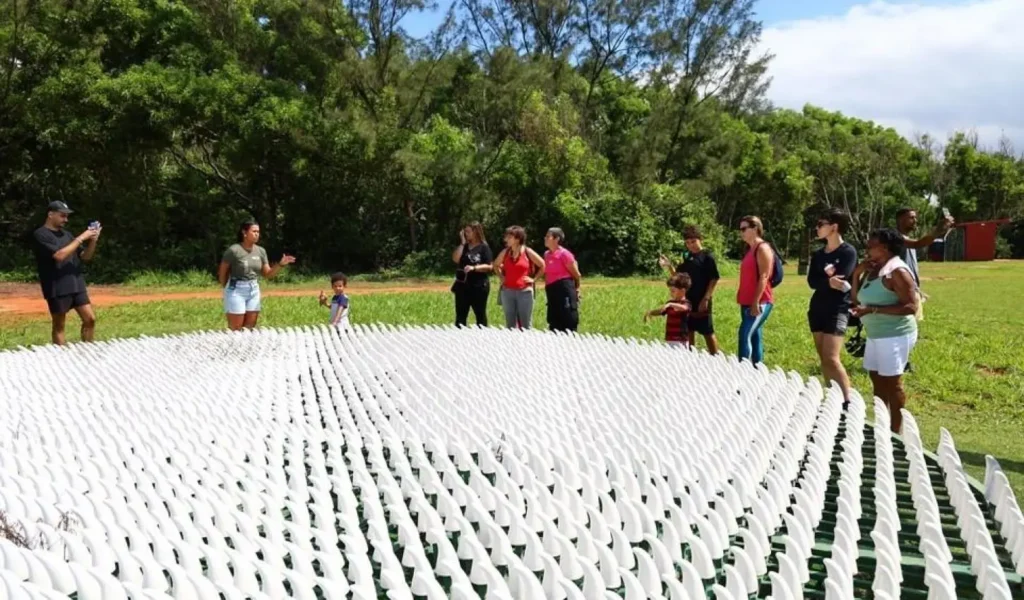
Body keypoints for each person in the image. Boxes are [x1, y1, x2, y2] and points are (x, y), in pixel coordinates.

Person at [850, 228, 919, 434]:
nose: (867, 248)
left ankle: (896, 430)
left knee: (893, 382)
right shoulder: (873, 269)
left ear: (885, 248)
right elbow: (855, 299)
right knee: (876, 378)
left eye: (872, 245)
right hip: (876, 334)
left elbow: (911, 307)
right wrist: (856, 274)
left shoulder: (897, 271)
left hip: (895, 334)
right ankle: (882, 423)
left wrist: (873, 310)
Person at [807, 209, 858, 406]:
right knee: (824, 359)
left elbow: (843, 277)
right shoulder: (818, 254)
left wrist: (828, 282)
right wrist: (828, 282)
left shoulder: (848, 252)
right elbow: (812, 281)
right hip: (817, 307)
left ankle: (847, 402)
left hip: (838, 308)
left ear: (834, 226)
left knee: (832, 358)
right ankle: (833, 398)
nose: (817, 228)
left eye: (821, 224)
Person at [32, 201, 101, 345]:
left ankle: (87, 351)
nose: (66, 219)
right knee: (59, 326)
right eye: (62, 216)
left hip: (76, 284)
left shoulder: (67, 235)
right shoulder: (41, 234)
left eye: (67, 216)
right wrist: (81, 237)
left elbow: (85, 256)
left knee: (90, 319)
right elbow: (59, 255)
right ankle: (61, 358)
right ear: (50, 214)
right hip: (57, 286)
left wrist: (93, 241)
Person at [218, 220, 296, 331]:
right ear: (244, 233)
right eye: (254, 231)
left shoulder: (261, 251)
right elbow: (222, 272)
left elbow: (268, 274)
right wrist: (226, 288)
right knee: (236, 328)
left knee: (250, 328)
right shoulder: (233, 250)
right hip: (236, 289)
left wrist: (280, 265)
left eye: (258, 232)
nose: (257, 234)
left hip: (253, 289)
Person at [658, 225, 720, 353]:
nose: (691, 245)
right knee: (688, 329)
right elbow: (678, 276)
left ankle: (716, 358)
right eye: (687, 243)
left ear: (700, 239)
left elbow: (714, 278)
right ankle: (691, 356)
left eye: (693, 241)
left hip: (702, 298)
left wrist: (706, 298)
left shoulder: (707, 257)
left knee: (707, 330)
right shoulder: (687, 257)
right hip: (687, 300)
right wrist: (669, 266)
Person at [736, 216, 775, 364]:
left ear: (755, 229)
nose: (741, 232)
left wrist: (755, 301)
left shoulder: (762, 248)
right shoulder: (749, 250)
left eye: (744, 229)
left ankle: (744, 371)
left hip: (760, 301)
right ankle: (757, 371)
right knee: (754, 335)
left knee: (744, 334)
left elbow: (764, 276)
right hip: (746, 301)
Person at [493, 225, 545, 329]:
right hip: (507, 291)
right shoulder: (506, 252)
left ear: (518, 239)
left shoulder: (527, 251)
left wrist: (534, 279)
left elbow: (543, 265)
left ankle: (526, 344)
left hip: (524, 292)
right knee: (510, 325)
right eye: (506, 236)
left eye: (509, 237)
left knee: (526, 325)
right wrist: (501, 277)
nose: (505, 239)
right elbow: (495, 265)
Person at [894, 207, 955, 286]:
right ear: (900, 220)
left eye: (915, 218)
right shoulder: (894, 237)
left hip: (910, 288)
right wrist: (938, 230)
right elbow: (918, 244)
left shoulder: (907, 238)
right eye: (912, 218)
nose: (915, 221)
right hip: (899, 289)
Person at [451, 223, 493, 328]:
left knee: (480, 315)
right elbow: (456, 259)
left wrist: (474, 268)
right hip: (462, 286)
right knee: (460, 316)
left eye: (468, 231)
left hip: (479, 286)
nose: (466, 234)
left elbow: (490, 266)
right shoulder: (464, 247)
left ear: (476, 232)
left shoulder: (484, 248)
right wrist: (462, 243)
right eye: (465, 232)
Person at [542, 228, 582, 333]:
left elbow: (576, 274)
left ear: (557, 239)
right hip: (551, 288)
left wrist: (577, 289)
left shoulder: (564, 254)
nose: (545, 238)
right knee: (554, 317)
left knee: (567, 316)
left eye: (548, 236)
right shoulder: (546, 254)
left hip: (564, 287)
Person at [644, 273, 692, 347]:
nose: (670, 293)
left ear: (682, 291)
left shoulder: (686, 303)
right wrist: (650, 312)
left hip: (681, 339)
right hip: (669, 337)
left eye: (673, 291)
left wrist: (670, 305)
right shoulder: (670, 302)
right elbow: (661, 311)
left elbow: (684, 308)